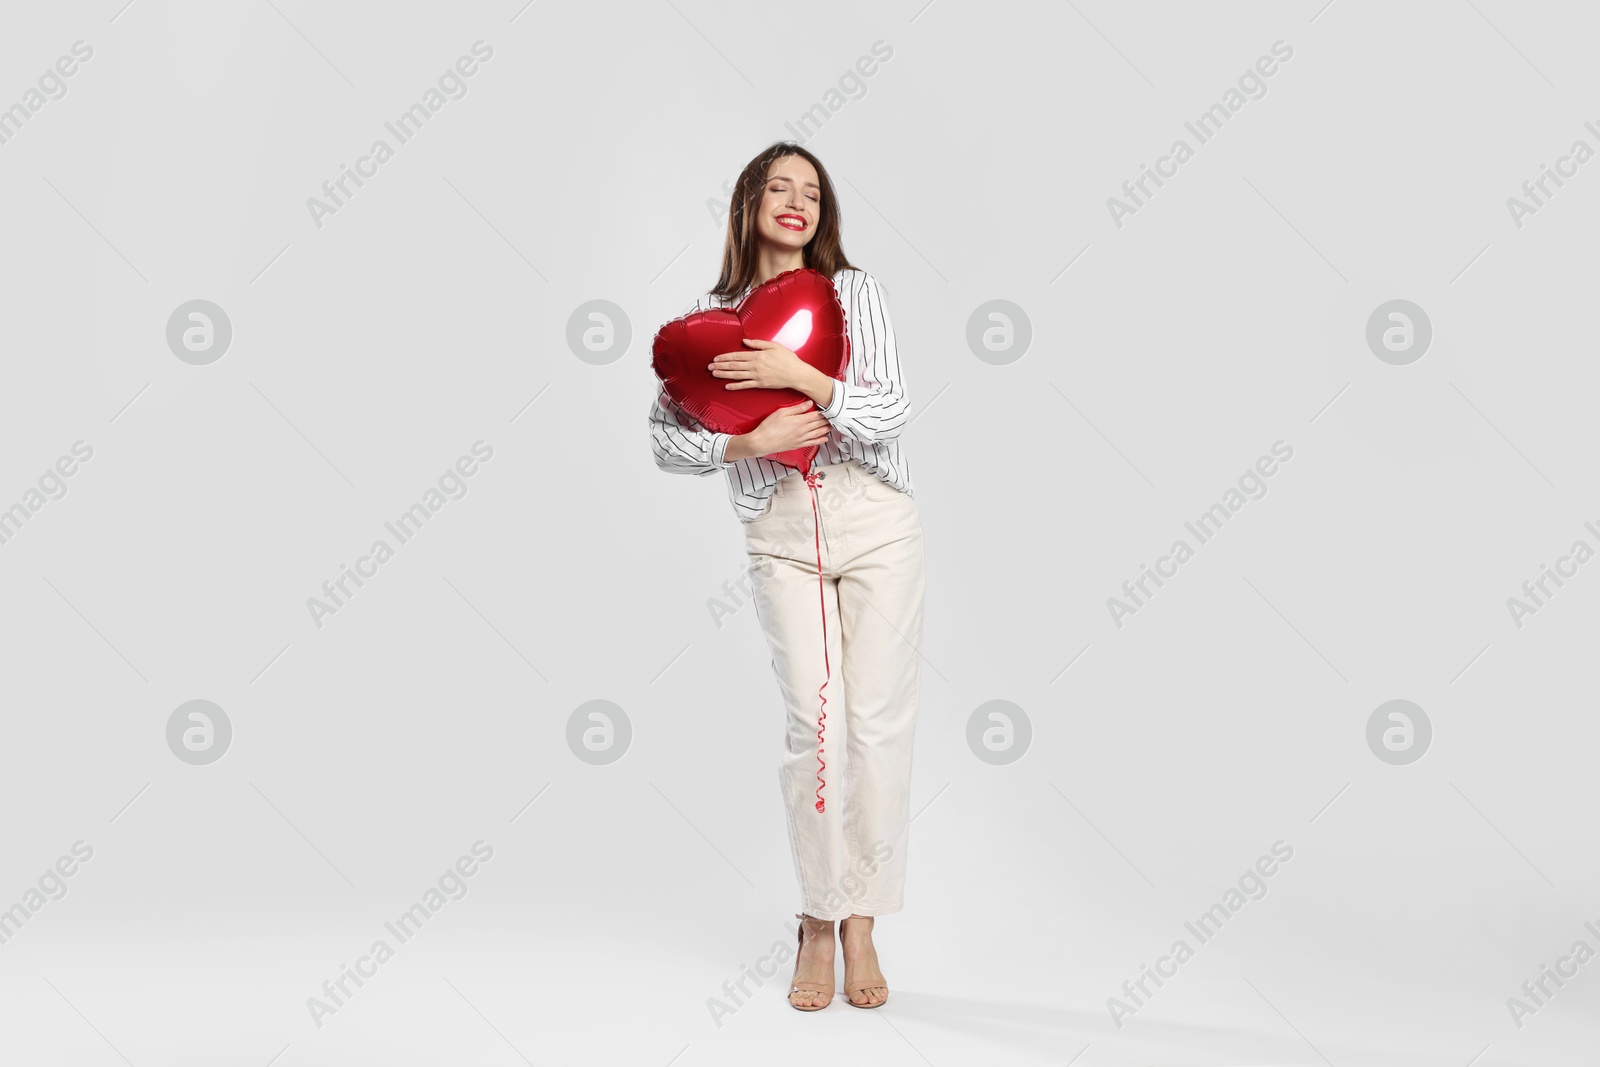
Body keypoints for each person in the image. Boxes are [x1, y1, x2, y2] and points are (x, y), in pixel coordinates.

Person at [647, 142, 924, 1010]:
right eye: (780, 186)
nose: (797, 202)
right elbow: (664, 438)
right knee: (816, 724)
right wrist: (743, 441)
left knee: (877, 726)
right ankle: (815, 915)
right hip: (778, 528)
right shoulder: (709, 317)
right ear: (750, 202)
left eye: (812, 190)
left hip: (875, 517)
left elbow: (889, 408)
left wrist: (799, 376)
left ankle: (863, 920)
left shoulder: (854, 294)